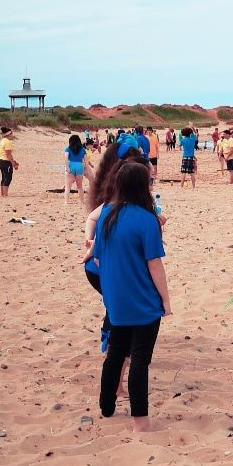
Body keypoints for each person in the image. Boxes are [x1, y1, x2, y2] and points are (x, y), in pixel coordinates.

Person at [92, 160, 171, 434]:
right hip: (144, 302)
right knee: (139, 359)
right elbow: (155, 265)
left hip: (116, 300)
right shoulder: (146, 219)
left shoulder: (106, 214)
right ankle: (140, 422)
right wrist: (166, 301)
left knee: (115, 353)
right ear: (143, 186)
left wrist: (115, 288)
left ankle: (106, 407)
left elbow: (98, 258)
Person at [64, 134, 91, 208]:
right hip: (79, 167)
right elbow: (86, 161)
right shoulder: (83, 150)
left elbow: (66, 159)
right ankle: (82, 201)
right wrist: (88, 170)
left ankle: (66, 202)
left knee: (68, 186)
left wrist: (67, 168)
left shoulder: (68, 149)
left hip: (71, 165)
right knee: (79, 186)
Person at [0, 127, 18, 197]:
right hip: (5, 162)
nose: (12, 135)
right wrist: (14, 165)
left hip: (0, 161)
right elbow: (8, 155)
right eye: (11, 133)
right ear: (8, 134)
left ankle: (3, 193)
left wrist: (13, 161)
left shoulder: (3, 140)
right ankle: (5, 194)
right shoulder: (7, 142)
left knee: (4, 177)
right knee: (8, 178)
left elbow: (5, 154)